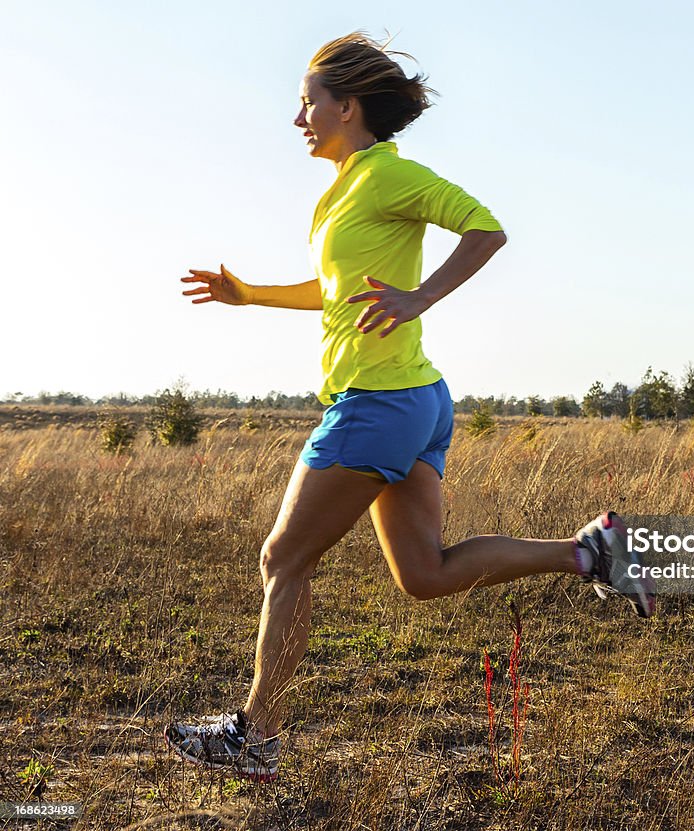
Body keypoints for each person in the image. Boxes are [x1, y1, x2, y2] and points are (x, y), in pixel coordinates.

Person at [163, 32, 655, 782]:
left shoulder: (391, 177)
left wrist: (423, 295)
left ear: (348, 106)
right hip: (415, 398)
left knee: (283, 557)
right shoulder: (342, 192)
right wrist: (250, 294)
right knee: (423, 574)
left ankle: (255, 735)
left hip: (377, 402)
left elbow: (486, 227)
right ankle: (589, 551)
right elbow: (333, 292)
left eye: (309, 103)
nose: (299, 118)